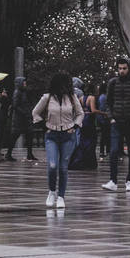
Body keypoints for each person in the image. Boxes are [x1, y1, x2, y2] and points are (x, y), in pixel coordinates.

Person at [32, 73, 83, 208]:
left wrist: (75, 126)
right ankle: (51, 192)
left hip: (68, 135)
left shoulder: (72, 98)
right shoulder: (47, 98)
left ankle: (61, 196)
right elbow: (35, 112)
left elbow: (80, 113)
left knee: (63, 167)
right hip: (52, 135)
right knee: (53, 166)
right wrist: (43, 125)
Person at [104, 61, 130, 192]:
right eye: (120, 68)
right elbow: (108, 102)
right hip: (117, 121)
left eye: (124, 68)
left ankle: (129, 180)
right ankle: (113, 180)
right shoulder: (113, 83)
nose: (121, 71)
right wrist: (111, 118)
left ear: (129, 69)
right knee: (114, 151)